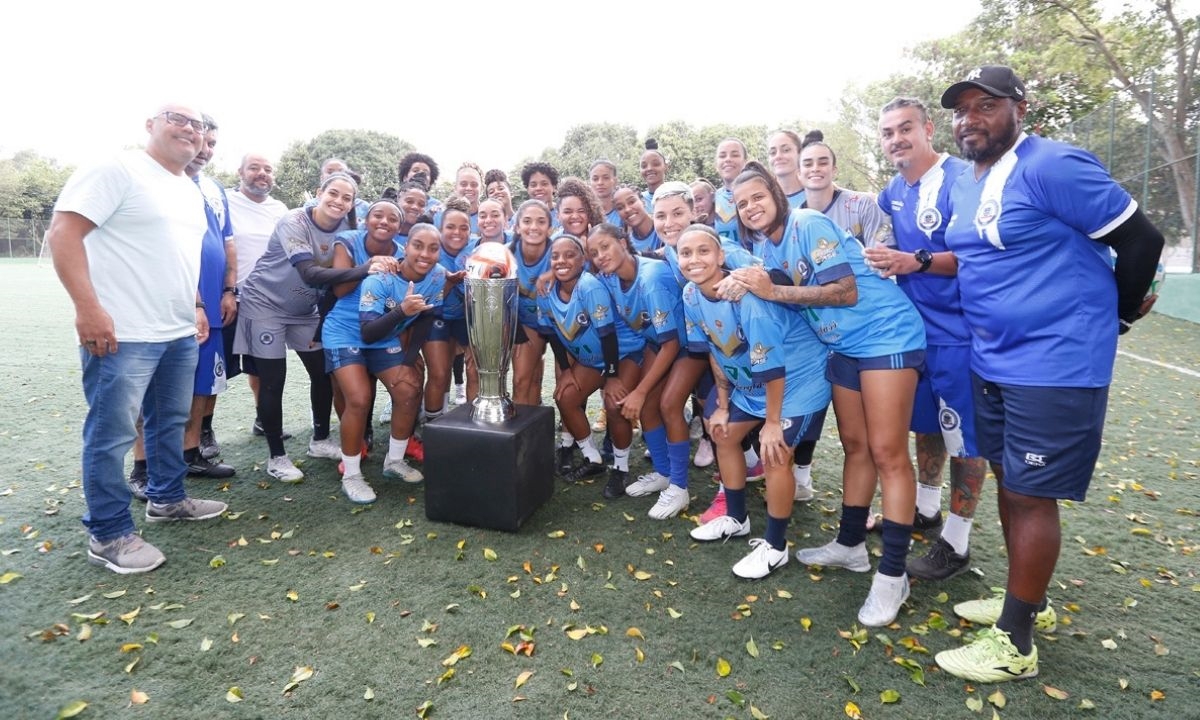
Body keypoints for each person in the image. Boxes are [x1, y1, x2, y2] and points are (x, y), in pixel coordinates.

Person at [931, 65, 1164, 683]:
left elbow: (1142, 239)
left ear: (1020, 108)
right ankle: (1025, 600)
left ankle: (1016, 643)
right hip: (993, 358)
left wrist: (1114, 319)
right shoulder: (968, 181)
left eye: (986, 106)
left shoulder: (1053, 164)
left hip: (1053, 363)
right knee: (1011, 483)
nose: (969, 119)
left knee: (1031, 496)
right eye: (961, 109)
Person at [720, 161, 926, 627]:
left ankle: (893, 575)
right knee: (856, 447)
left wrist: (773, 291)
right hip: (843, 348)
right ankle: (851, 546)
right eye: (741, 204)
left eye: (757, 197)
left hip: (885, 336)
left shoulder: (807, 222)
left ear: (775, 193)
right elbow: (738, 264)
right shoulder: (765, 246)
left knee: (888, 453)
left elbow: (846, 291)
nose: (751, 208)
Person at [48, 104, 228, 574]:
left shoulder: (186, 187)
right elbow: (64, 233)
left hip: (176, 330)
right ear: (150, 125)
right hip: (122, 332)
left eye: (199, 125)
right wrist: (88, 309)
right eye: (178, 118)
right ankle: (108, 534)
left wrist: (195, 307)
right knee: (112, 435)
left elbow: (178, 256)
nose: (189, 129)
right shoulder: (117, 168)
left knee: (168, 420)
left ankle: (167, 499)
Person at [865, 96, 989, 581]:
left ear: (928, 129)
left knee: (966, 440)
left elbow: (977, 256)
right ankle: (926, 509)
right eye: (888, 132)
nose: (896, 139)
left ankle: (956, 543)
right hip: (914, 334)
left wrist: (913, 260)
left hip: (960, 334)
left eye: (905, 128)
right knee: (928, 426)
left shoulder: (963, 178)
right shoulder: (893, 190)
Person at [681, 225, 831, 579]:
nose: (694, 259)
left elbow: (774, 367)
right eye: (685, 253)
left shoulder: (747, 300)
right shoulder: (690, 294)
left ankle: (776, 547)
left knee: (774, 452)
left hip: (796, 381)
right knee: (723, 434)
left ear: (721, 257)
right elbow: (716, 349)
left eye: (704, 251)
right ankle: (736, 517)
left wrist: (772, 423)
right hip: (753, 385)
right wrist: (721, 402)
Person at [235, 172, 397, 482]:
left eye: (346, 198)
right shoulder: (293, 221)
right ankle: (277, 457)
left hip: (304, 310)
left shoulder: (347, 230)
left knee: (322, 373)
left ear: (352, 204)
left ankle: (320, 440)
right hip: (264, 305)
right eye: (333, 193)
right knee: (273, 380)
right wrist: (365, 269)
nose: (338, 201)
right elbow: (309, 273)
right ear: (319, 192)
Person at [320, 198, 410, 502]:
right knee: (358, 399)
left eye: (392, 219)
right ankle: (353, 474)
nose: (384, 222)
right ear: (366, 219)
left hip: (381, 332)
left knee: (408, 390)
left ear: (400, 226)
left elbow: (402, 295)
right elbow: (340, 289)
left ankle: (395, 461)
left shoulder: (402, 252)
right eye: (377, 216)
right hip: (344, 330)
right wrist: (368, 267)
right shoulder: (347, 241)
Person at [585, 223, 683, 500]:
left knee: (668, 405)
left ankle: (679, 486)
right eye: (594, 252)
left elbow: (673, 343)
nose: (601, 255)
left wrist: (639, 391)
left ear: (623, 242)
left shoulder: (651, 278)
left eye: (605, 246)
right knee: (649, 407)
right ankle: (664, 474)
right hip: (657, 343)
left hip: (690, 344)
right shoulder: (610, 277)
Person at [538, 234, 644, 485]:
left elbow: (608, 335)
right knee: (565, 397)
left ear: (583, 260)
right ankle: (592, 458)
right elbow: (553, 334)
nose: (561, 260)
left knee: (613, 405)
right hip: (591, 359)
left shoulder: (589, 286)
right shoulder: (544, 290)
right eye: (555, 256)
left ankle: (620, 467)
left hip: (622, 354)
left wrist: (612, 376)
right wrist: (565, 370)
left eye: (570, 254)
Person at [180, 115, 236, 480]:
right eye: (202, 141)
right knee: (169, 386)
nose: (206, 150)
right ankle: (149, 463)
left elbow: (228, 243)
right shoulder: (164, 183)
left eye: (213, 143)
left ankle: (190, 453)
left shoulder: (214, 188)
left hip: (214, 306)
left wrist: (230, 288)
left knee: (204, 382)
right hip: (175, 304)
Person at [223, 154, 289, 442]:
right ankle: (203, 431)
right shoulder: (224, 201)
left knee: (261, 366)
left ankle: (264, 418)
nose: (262, 173)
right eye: (254, 168)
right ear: (240, 172)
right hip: (228, 297)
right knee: (217, 368)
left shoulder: (280, 209)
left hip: (265, 302)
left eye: (267, 168)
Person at [798, 133, 891, 247]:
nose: (815, 168)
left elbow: (882, 257)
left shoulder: (863, 206)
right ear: (798, 173)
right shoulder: (794, 223)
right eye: (808, 164)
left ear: (834, 170)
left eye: (823, 163)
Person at [510, 199, 555, 406]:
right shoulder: (505, 254)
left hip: (560, 324)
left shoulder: (561, 252)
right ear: (517, 227)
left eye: (541, 222)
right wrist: (518, 335)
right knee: (521, 379)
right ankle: (520, 434)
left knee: (563, 381)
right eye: (527, 221)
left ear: (550, 228)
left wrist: (556, 271)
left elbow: (585, 265)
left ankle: (553, 431)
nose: (534, 227)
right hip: (526, 323)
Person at [712, 138, 749, 247]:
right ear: (716, 164)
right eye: (722, 156)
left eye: (735, 155)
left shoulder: (760, 195)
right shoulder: (711, 199)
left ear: (745, 161)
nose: (728, 159)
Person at [767, 129, 807, 208]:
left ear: (800, 154)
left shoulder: (815, 194)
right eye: (773, 153)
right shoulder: (764, 198)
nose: (778, 156)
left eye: (786, 150)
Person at [613, 185, 659, 253]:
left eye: (632, 202)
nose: (627, 209)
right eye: (620, 208)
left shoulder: (663, 227)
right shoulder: (626, 244)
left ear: (643, 201)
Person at [397, 151, 444, 216]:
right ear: (405, 177)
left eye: (426, 173)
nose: (421, 174)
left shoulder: (438, 207)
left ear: (430, 181)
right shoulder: (391, 200)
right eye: (415, 170)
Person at [521, 162, 560, 228]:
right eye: (533, 185)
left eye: (544, 184)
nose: (538, 188)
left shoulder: (564, 214)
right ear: (527, 189)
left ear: (554, 187)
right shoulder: (521, 216)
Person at [589, 160, 622, 227]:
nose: (600, 182)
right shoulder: (585, 213)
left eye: (606, 178)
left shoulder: (623, 212)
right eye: (595, 179)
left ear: (615, 181)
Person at [639, 138, 669, 208]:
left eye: (655, 164)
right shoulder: (637, 200)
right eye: (644, 166)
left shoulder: (676, 196)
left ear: (666, 167)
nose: (649, 168)